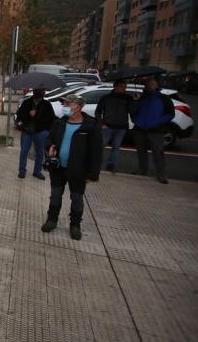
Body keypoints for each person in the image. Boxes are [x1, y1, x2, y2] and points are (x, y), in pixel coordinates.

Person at [41, 94, 102, 241]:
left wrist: (92, 174)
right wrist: (50, 147)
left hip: (78, 171)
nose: (65, 107)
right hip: (58, 168)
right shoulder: (59, 123)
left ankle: (75, 225)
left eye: (69, 104)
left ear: (78, 107)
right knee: (55, 195)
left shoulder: (90, 126)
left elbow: (97, 152)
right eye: (65, 104)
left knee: (76, 198)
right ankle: (52, 220)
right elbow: (49, 139)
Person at [130, 78, 174, 184]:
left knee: (158, 153)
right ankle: (142, 170)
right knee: (141, 152)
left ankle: (161, 174)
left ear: (157, 85)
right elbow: (132, 111)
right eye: (149, 84)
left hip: (155, 130)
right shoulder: (141, 97)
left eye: (153, 83)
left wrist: (157, 122)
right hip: (139, 129)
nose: (151, 85)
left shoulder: (164, 98)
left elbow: (170, 114)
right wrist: (135, 102)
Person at [16, 88, 56, 180]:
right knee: (24, 152)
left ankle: (37, 171)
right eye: (38, 91)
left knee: (40, 153)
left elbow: (51, 118)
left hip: (40, 132)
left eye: (42, 91)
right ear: (34, 92)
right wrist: (28, 114)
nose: (41, 93)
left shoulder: (46, 104)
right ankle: (22, 170)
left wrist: (46, 129)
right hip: (27, 131)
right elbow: (19, 115)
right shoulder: (27, 103)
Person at [95, 80, 133, 173]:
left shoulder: (128, 98)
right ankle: (97, 164)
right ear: (115, 86)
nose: (124, 88)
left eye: (125, 87)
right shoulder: (106, 98)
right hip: (107, 126)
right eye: (122, 86)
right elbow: (98, 112)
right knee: (100, 146)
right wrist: (101, 123)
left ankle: (111, 165)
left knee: (116, 147)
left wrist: (135, 101)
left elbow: (132, 111)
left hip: (121, 127)